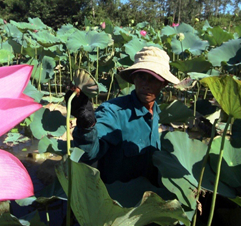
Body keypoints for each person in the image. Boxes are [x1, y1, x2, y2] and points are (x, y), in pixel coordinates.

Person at [66, 46, 180, 184]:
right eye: (141, 77)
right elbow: (89, 153)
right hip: (116, 200)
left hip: (149, 198)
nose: (146, 84)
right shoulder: (113, 111)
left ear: (164, 83)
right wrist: (86, 125)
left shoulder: (155, 112)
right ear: (134, 79)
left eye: (153, 79)